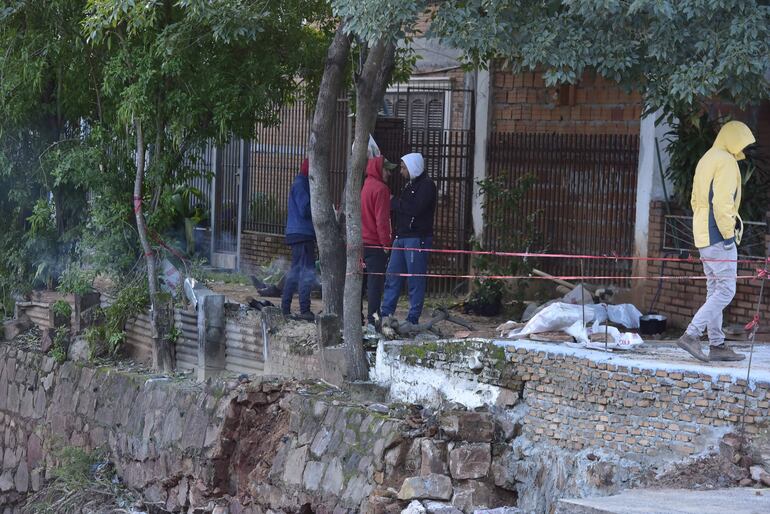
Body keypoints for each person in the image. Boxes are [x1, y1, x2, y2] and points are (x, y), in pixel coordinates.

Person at [677, 121, 756, 362]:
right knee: (726, 290)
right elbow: (722, 204)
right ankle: (691, 334)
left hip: (702, 233)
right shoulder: (727, 162)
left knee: (714, 289)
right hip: (718, 235)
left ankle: (717, 344)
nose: (744, 147)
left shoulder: (707, 158)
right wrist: (728, 235)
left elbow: (694, 199)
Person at [380, 153, 437, 327]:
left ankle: (413, 317)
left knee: (415, 278)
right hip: (401, 237)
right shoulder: (409, 186)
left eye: (404, 168)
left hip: (416, 238)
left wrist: (394, 202)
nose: (401, 172)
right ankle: (386, 313)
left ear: (413, 168)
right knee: (393, 275)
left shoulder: (427, 186)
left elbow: (415, 209)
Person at [281, 158, 316, 322]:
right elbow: (305, 209)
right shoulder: (302, 184)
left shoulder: (300, 183)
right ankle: (303, 309)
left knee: (296, 271)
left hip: (299, 233)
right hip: (302, 234)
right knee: (304, 272)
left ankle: (286, 307)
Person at [361, 155, 392, 328]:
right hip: (375, 243)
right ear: (380, 170)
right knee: (375, 284)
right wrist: (386, 244)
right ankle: (374, 319)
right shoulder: (381, 189)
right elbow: (382, 220)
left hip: (362, 243)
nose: (389, 173)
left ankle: (358, 317)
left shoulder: (365, 186)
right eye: (387, 170)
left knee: (362, 283)